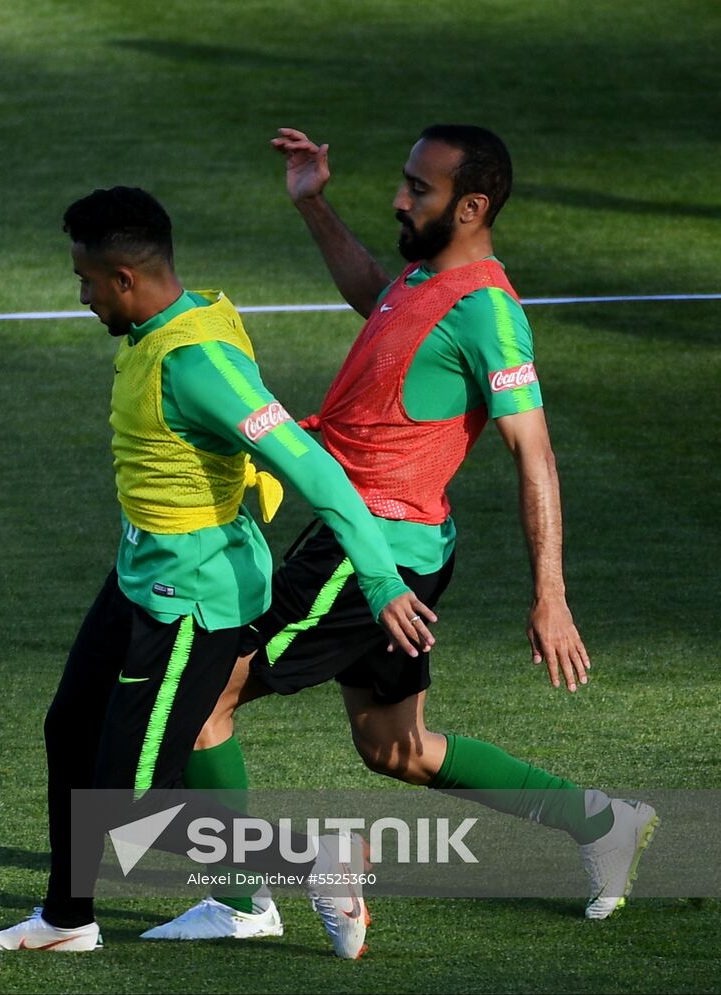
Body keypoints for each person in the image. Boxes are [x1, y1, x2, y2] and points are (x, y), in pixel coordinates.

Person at [141, 127, 658, 949]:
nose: (399, 198)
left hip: (369, 550)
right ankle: (602, 821)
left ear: (472, 206)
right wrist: (314, 206)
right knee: (397, 747)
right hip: (401, 546)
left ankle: (242, 901)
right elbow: (379, 299)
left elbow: (535, 453)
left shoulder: (489, 312)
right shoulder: (426, 277)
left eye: (420, 188)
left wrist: (551, 595)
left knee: (205, 697)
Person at [0, 186, 435, 958]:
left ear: (125, 279)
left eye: (87, 280)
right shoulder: (172, 320)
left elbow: (313, 467)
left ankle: (313, 864)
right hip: (141, 572)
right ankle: (67, 918)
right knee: (70, 727)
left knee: (128, 803)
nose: (82, 296)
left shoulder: (197, 360)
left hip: (191, 599)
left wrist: (382, 581)